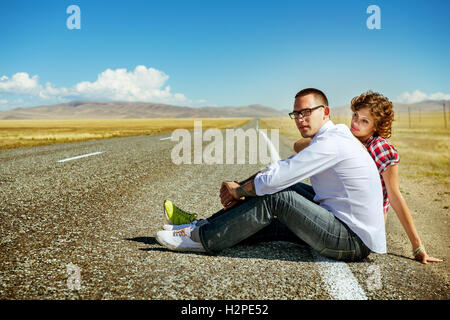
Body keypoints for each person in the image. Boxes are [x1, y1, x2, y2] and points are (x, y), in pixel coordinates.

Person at [156, 88, 386, 262]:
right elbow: (281, 169)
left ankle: (202, 238)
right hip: (338, 222)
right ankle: (201, 225)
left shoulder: (332, 143)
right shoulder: (331, 137)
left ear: (325, 112)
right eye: (295, 114)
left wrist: (238, 190)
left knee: (278, 196)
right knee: (281, 188)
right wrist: (242, 184)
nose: (300, 119)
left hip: (351, 240)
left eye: (306, 112)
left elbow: (275, 180)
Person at [293, 90, 442, 264]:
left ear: (376, 126)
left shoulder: (382, 150)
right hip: (340, 204)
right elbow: (298, 146)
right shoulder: (344, 135)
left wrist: (417, 246)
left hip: (360, 222)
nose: (355, 122)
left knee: (288, 201)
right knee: (291, 187)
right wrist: (346, 141)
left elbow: (395, 197)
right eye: (355, 115)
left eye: (364, 121)